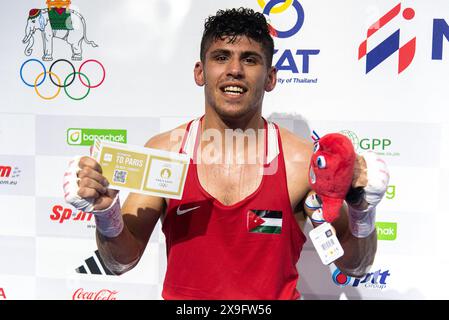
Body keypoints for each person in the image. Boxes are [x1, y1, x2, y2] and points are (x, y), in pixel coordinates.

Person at [63, 8, 389, 300]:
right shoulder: (165, 152)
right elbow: (119, 262)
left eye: (250, 59)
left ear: (271, 77)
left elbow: (354, 266)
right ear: (200, 72)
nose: (234, 70)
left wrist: (362, 212)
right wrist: (107, 213)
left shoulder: (300, 161)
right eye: (221, 57)